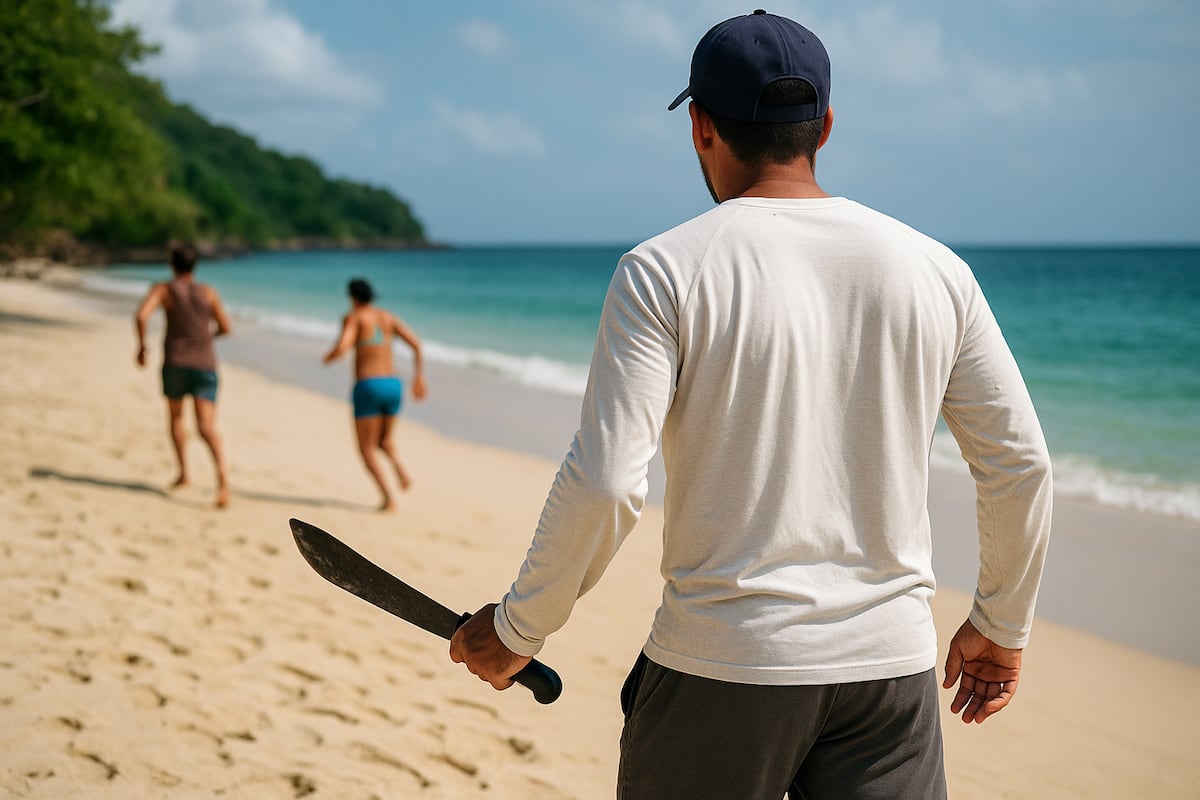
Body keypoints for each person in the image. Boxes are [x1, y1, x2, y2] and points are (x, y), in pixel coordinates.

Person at [450, 9, 1052, 800]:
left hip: (723, 663)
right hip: (889, 674)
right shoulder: (935, 270)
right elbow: (1019, 465)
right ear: (824, 127)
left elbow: (607, 483)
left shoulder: (663, 270)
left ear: (701, 126)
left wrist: (519, 626)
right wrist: (1001, 623)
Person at [134, 243, 233, 508]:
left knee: (176, 417)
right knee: (206, 427)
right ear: (195, 265)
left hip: (176, 362)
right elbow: (226, 327)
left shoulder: (164, 289)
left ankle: (184, 473)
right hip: (205, 364)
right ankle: (223, 483)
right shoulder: (208, 292)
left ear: (171, 264)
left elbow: (142, 316)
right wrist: (205, 339)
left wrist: (142, 347)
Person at [323, 278, 427, 511]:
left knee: (366, 448)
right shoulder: (388, 317)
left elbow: (343, 346)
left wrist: (328, 357)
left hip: (368, 385)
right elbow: (416, 343)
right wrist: (419, 377)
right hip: (393, 385)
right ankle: (399, 467)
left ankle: (388, 498)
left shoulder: (354, 317)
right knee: (385, 440)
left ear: (352, 297)